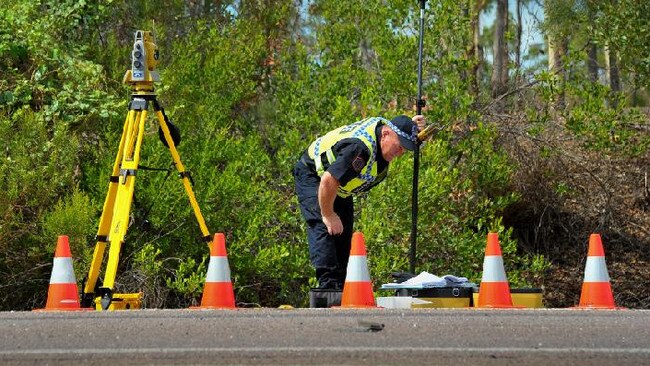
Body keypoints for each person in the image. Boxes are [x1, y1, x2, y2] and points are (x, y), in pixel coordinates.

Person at [293, 114, 426, 291]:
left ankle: (342, 288)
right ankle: (328, 290)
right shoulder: (359, 150)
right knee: (325, 227)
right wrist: (328, 214)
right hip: (315, 176)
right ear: (385, 134)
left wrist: (412, 125)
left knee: (343, 235)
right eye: (399, 146)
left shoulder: (386, 133)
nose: (400, 152)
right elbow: (328, 180)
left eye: (404, 149)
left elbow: (398, 127)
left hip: (340, 187)